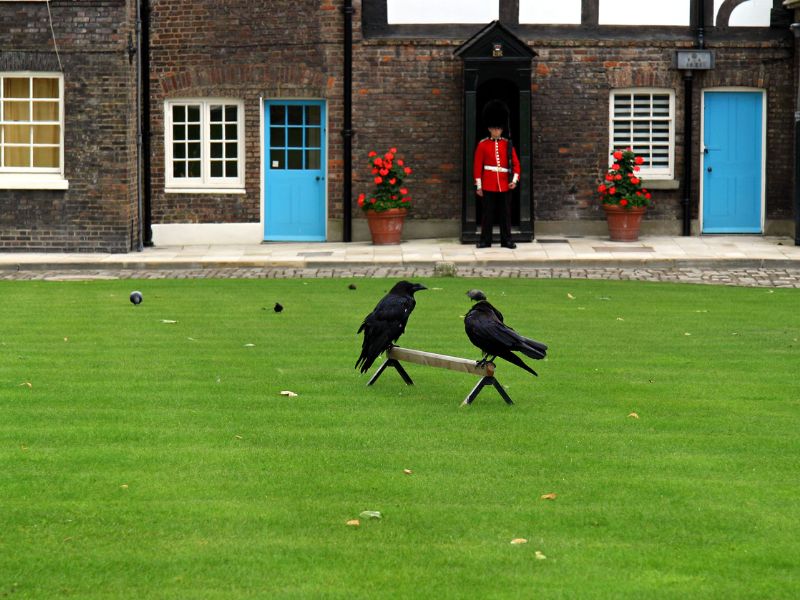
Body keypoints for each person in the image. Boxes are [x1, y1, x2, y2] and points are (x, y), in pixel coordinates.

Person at [473, 101, 520, 249]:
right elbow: (477, 166)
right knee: (487, 214)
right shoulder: (483, 144)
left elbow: (516, 165)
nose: (496, 131)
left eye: (498, 128)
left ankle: (506, 240)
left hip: (505, 184)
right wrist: (479, 186)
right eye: (494, 128)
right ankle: (485, 240)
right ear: (489, 128)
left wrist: (514, 180)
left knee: (505, 214)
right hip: (488, 183)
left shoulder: (507, 144)